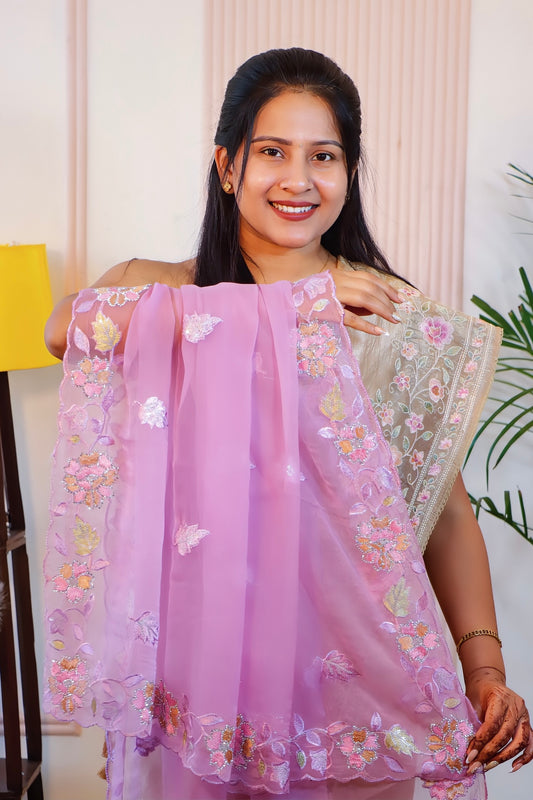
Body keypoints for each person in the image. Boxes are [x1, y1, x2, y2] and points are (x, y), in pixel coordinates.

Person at [43, 48, 532, 799]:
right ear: (228, 165)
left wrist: (486, 671)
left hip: (354, 688)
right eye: (272, 151)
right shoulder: (159, 294)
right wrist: (287, 312)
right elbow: (64, 329)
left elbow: (444, 512)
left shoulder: (381, 313)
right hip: (199, 690)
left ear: (348, 172)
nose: (298, 179)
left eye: (324, 156)